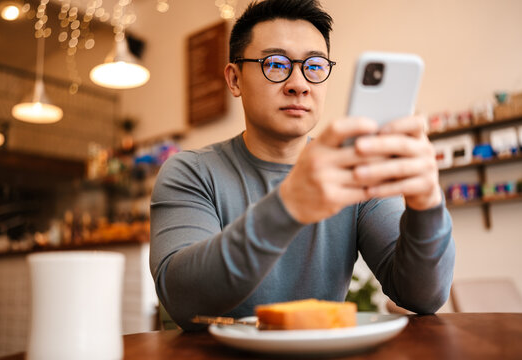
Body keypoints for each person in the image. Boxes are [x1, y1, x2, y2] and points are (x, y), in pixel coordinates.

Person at [150, 0, 455, 331]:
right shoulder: (189, 173)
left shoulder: (355, 173)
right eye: (276, 63)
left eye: (314, 65)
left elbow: (423, 296)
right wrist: (288, 206)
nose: (299, 83)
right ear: (235, 80)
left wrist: (426, 205)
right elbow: (182, 299)